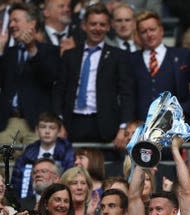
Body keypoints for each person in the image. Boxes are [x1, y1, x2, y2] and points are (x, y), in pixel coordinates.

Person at [52, 3, 134, 148]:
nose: (97, 28)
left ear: (108, 27)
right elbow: (59, 91)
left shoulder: (118, 56)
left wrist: (123, 128)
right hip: (72, 123)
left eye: (102, 24)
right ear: (84, 26)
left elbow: (127, 94)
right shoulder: (69, 56)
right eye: (93, 24)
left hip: (104, 125)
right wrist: (59, 123)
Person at [0, 3, 60, 145]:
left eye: (16, 20)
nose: (11, 24)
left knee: (36, 166)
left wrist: (32, 49)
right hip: (7, 124)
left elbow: (49, 79)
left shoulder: (51, 51)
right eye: (10, 21)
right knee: (6, 165)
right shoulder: (8, 53)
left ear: (32, 23)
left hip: (36, 125)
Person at [131, 10, 190, 121]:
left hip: (175, 125)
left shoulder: (182, 55)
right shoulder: (131, 59)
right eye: (144, 31)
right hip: (141, 125)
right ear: (138, 35)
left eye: (152, 29)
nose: (149, 34)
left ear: (161, 30)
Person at [11, 112, 75, 199]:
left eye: (52, 128)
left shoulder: (68, 154)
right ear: (37, 130)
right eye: (43, 127)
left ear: (59, 131)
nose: (47, 131)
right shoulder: (26, 156)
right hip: (30, 204)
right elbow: (16, 186)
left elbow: (70, 182)